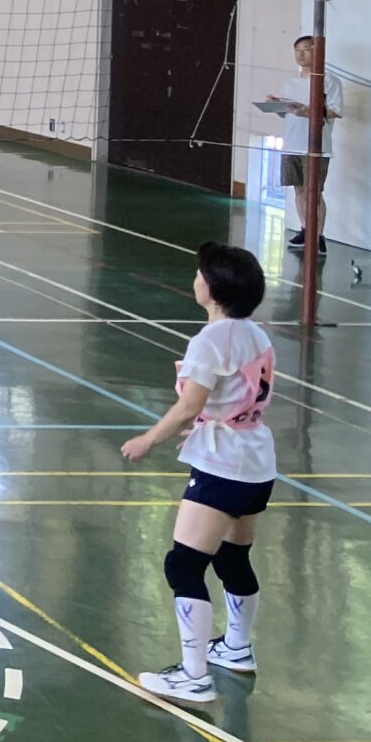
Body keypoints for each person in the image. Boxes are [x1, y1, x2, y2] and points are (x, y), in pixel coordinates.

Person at [119, 243, 274, 705]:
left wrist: (148, 439)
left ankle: (193, 676)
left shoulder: (210, 342)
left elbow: (191, 406)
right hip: (256, 461)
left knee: (184, 565)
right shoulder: (256, 335)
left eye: (200, 274)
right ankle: (237, 648)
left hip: (222, 465)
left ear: (214, 289)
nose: (196, 279)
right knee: (232, 559)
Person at [261, 34, 340, 250]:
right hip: (292, 144)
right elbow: (287, 113)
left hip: (316, 146)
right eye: (297, 50)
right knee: (299, 190)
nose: (301, 54)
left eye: (306, 49)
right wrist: (277, 105)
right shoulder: (290, 82)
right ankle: (305, 230)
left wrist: (308, 112)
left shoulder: (329, 81)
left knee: (314, 192)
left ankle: (318, 236)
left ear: (317, 51)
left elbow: (335, 111)